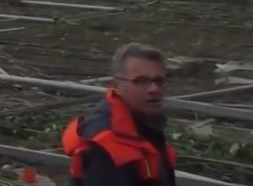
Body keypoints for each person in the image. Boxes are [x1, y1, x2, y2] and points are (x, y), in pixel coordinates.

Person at [62, 43, 177, 186]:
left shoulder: (142, 126)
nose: (154, 89)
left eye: (159, 81)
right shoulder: (106, 144)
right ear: (116, 86)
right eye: (141, 81)